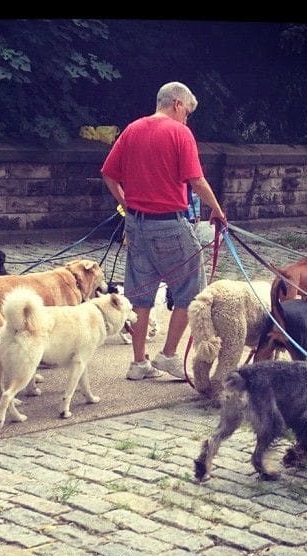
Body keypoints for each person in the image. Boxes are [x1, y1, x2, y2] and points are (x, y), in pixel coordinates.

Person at [101, 81, 227, 380]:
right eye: (188, 113)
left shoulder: (132, 129)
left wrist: (127, 204)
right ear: (177, 104)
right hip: (170, 223)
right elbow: (196, 180)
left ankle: (138, 363)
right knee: (191, 290)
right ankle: (169, 356)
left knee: (140, 293)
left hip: (136, 225)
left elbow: (108, 173)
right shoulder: (180, 132)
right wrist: (218, 210)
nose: (187, 119)